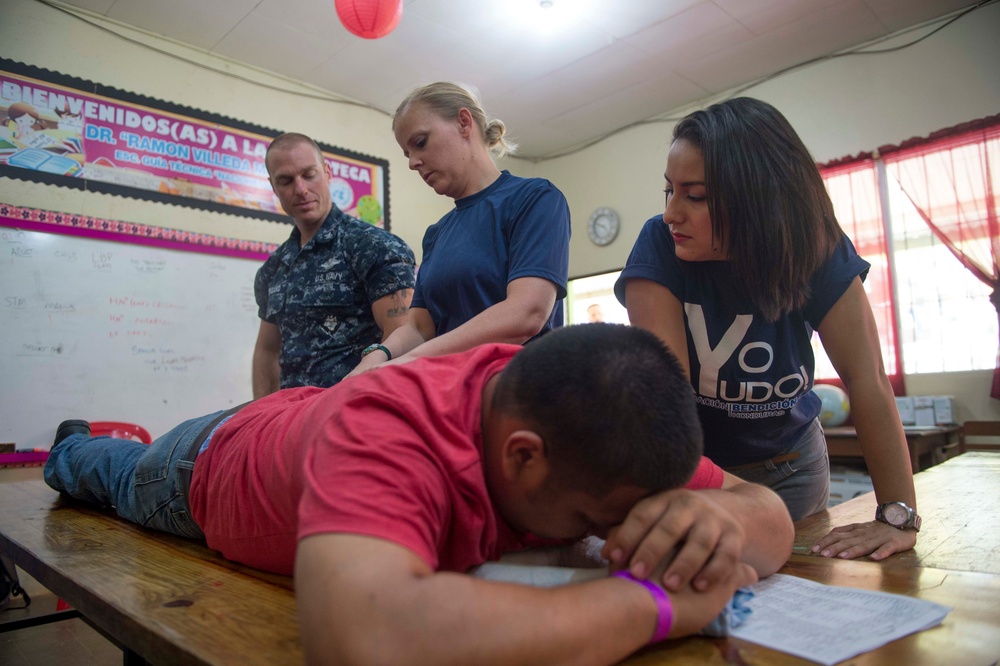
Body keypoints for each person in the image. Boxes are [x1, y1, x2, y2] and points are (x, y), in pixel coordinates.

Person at [45, 324, 793, 664]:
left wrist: (711, 514)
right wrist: (658, 605)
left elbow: (772, 519)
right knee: (103, 473)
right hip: (201, 469)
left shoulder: (597, 424)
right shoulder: (391, 429)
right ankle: (70, 441)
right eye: (603, 523)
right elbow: (362, 640)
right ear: (521, 457)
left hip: (305, 419)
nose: (621, 538)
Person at [614, 97, 917, 561]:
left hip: (792, 466)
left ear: (758, 200)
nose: (673, 212)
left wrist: (897, 516)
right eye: (668, 191)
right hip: (699, 469)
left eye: (694, 196)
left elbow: (868, 379)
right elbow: (667, 398)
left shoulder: (816, 245)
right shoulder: (659, 244)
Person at [347, 82, 570, 378]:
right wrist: (376, 357)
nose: (413, 162)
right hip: (449, 390)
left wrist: (410, 362)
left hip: (519, 390)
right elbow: (418, 327)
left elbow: (527, 313)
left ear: (464, 123)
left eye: (421, 142)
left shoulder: (534, 199)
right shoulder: (437, 234)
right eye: (407, 153)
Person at [252, 132, 416, 397]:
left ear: (327, 173)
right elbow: (267, 350)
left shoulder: (372, 245)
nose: (301, 189)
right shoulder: (272, 270)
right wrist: (258, 416)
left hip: (355, 414)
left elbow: (403, 336)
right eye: (286, 180)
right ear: (273, 187)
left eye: (309, 174)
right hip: (290, 422)